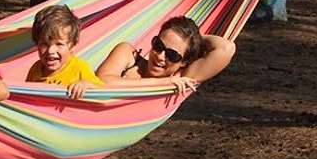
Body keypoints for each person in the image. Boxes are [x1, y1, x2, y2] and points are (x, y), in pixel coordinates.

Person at [69, 16, 235, 97]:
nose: (161, 56)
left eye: (172, 55)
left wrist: (195, 39)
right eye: (158, 45)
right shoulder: (128, 54)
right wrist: (163, 82)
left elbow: (225, 48)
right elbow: (102, 82)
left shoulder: (181, 77)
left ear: (184, 61)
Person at [26, 4, 104, 99]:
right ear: (36, 44)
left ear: (72, 46)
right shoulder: (35, 69)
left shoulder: (79, 68)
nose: (51, 51)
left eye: (59, 44)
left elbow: (102, 92)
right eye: (44, 44)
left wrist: (87, 85)